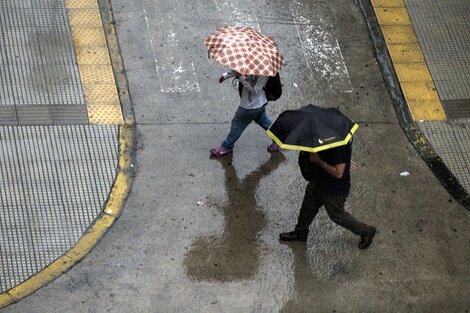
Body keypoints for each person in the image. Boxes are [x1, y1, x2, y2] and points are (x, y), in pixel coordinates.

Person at [279, 142, 377, 249]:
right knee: (308, 205)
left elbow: (338, 173)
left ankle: (366, 231)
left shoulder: (340, 144)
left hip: (334, 189)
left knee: (337, 215)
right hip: (318, 180)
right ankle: (300, 232)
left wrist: (318, 161)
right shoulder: (319, 135)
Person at [210, 70, 280, 157]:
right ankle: (278, 138)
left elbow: (255, 90)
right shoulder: (250, 63)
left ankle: (226, 147)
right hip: (259, 104)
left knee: (237, 124)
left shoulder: (263, 72)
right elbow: (238, 69)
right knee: (264, 121)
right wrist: (225, 76)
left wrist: (241, 78)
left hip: (250, 106)